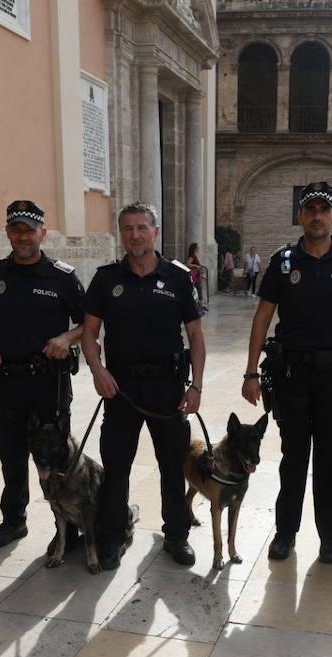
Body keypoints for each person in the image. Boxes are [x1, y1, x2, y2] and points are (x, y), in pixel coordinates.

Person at [243, 180, 332, 563]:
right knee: (294, 457)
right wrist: (251, 372)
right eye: (310, 210)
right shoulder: (283, 261)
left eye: (324, 210)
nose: (317, 217)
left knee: (329, 458)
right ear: (300, 215)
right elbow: (262, 318)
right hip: (291, 376)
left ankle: (330, 535)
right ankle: (286, 532)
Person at [81, 202, 205, 570]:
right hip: (120, 389)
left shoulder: (180, 278)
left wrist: (196, 386)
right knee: (116, 466)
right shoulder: (106, 279)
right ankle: (114, 536)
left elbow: (195, 334)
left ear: (156, 231)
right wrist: (96, 369)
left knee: (172, 465)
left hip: (168, 388)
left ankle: (176, 535)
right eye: (127, 229)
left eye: (142, 228)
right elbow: (89, 332)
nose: (135, 235)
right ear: (121, 234)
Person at [0, 200, 85, 548]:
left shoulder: (62, 277)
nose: (23, 236)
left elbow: (90, 323)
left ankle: (65, 528)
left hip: (48, 383)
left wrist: (67, 337)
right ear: (8, 231)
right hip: (7, 381)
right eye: (16, 229)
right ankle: (13, 520)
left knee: (56, 457)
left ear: (43, 233)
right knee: (10, 455)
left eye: (29, 229)